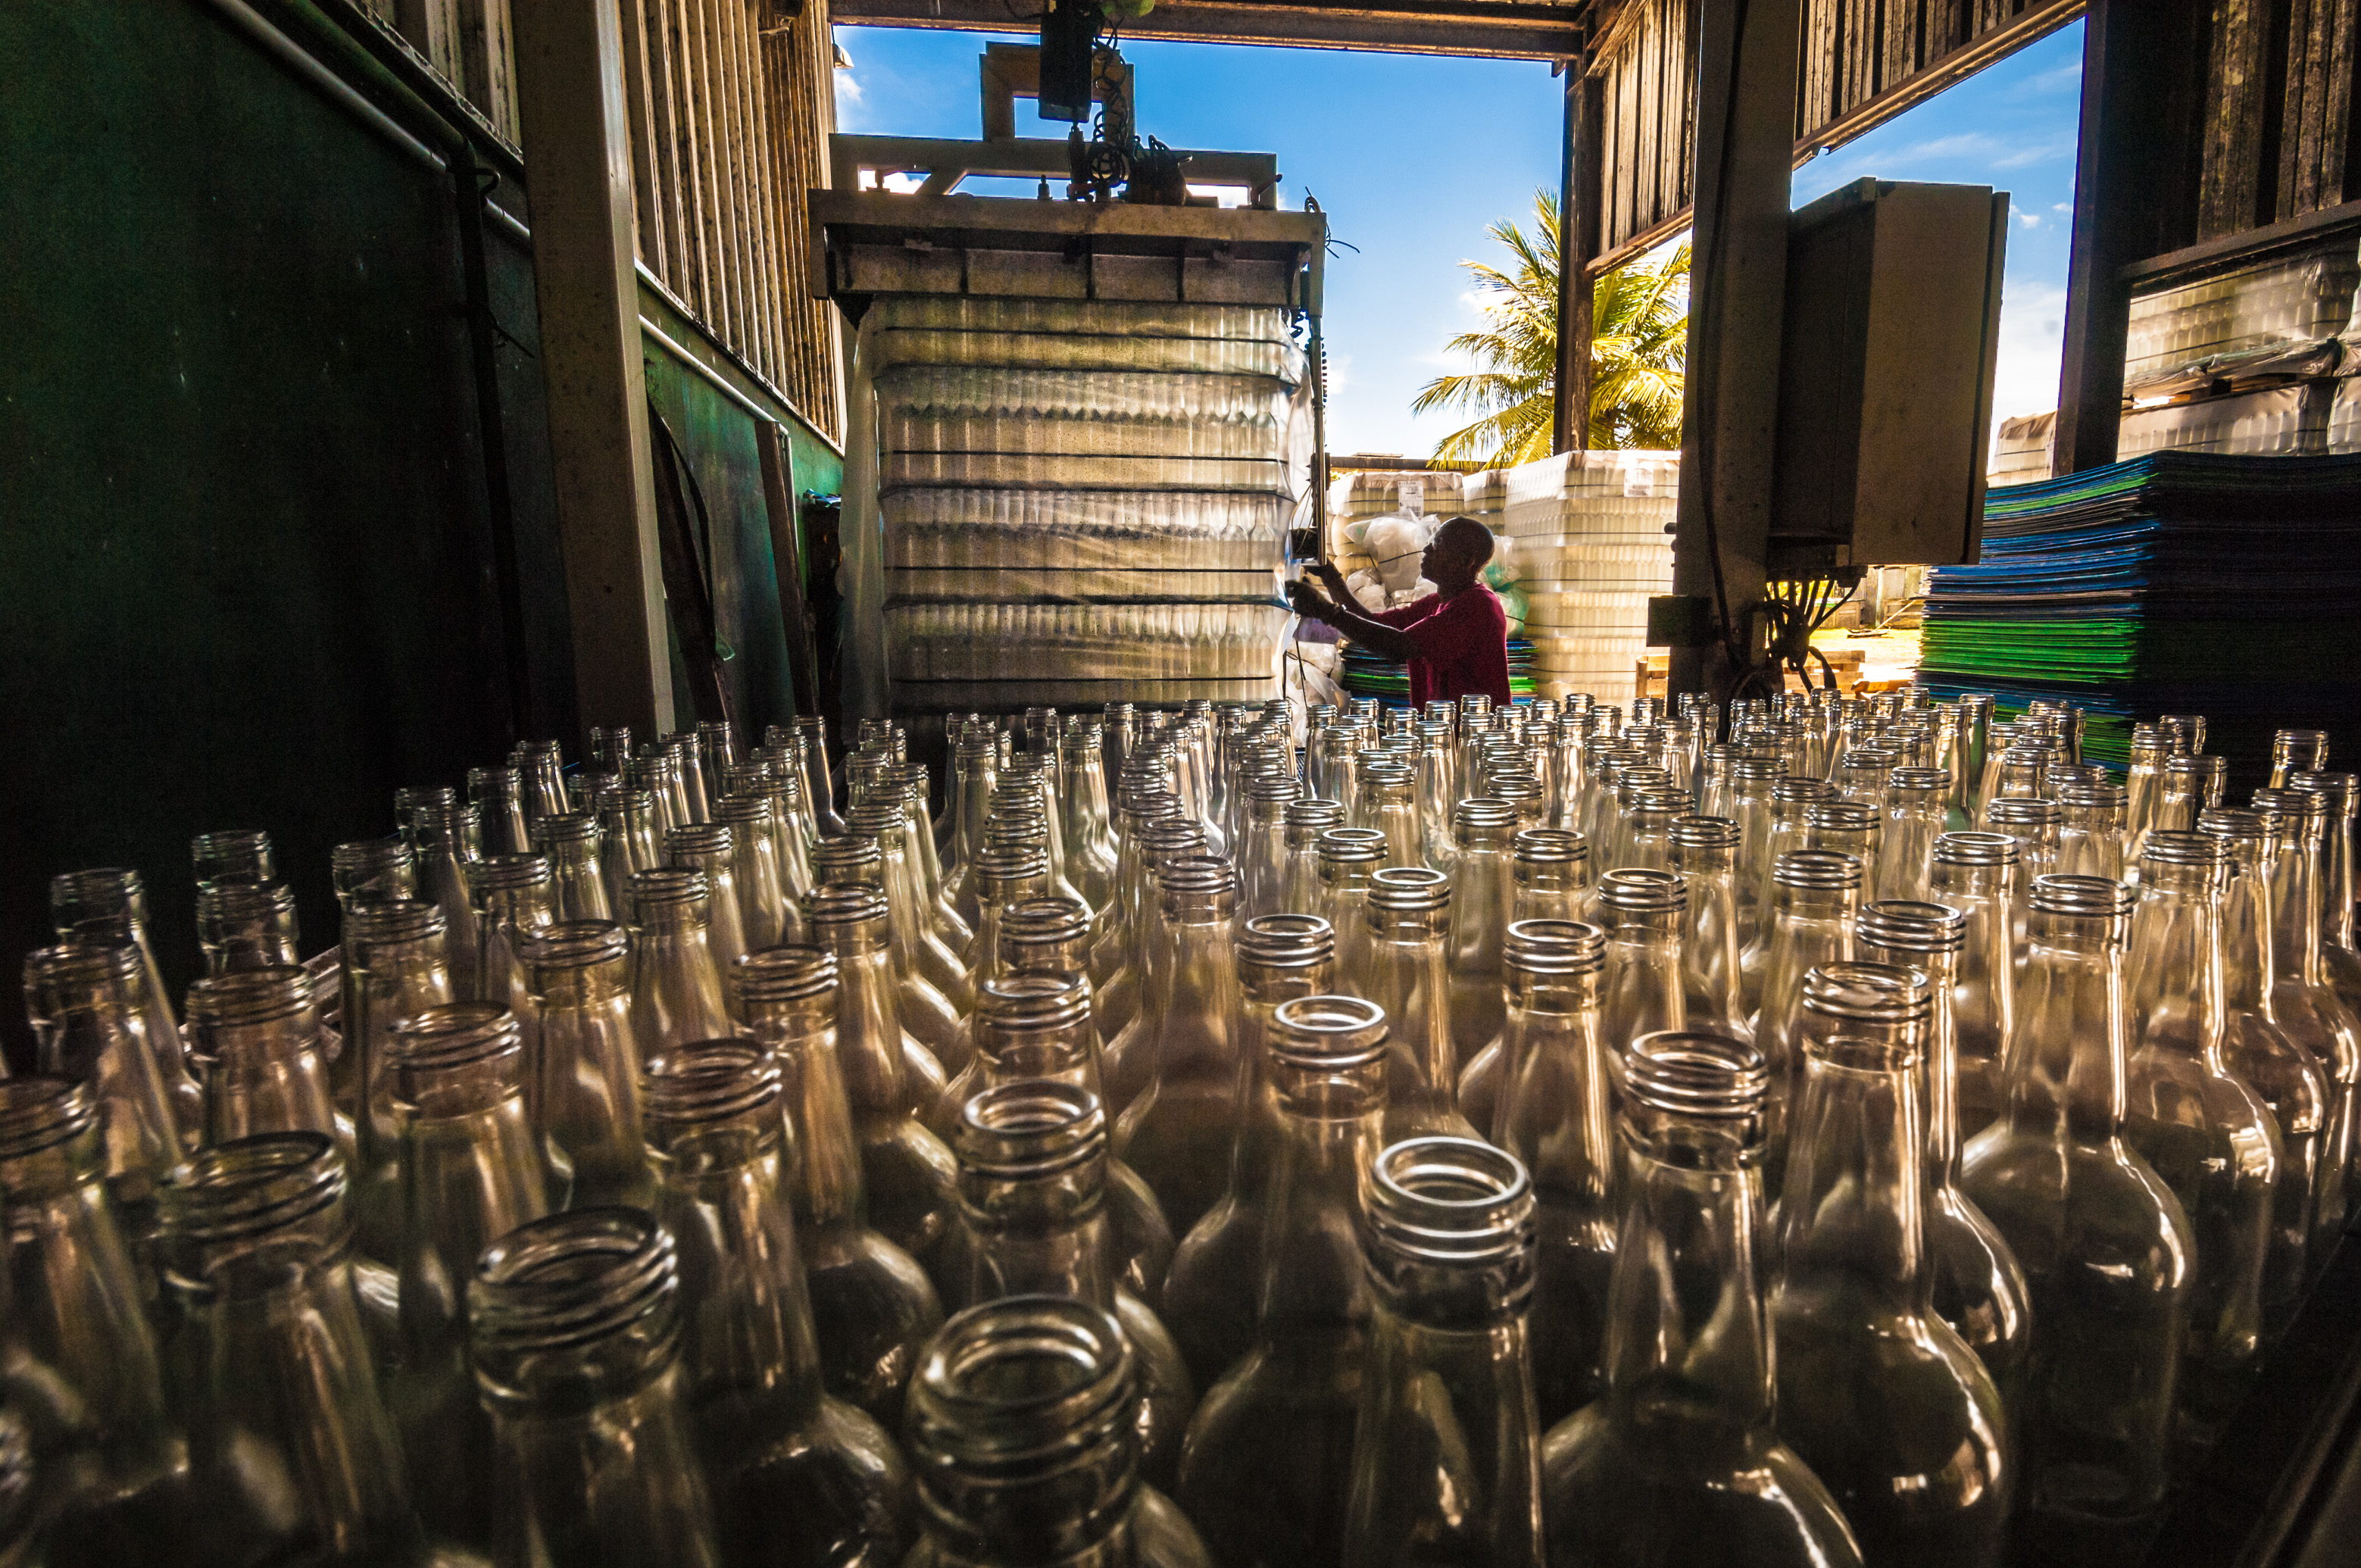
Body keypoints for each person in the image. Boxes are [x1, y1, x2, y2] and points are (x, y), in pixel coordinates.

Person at [1285, 514, 1512, 709]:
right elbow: (1371, 622)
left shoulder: (1477, 607)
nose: (1426, 549)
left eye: (1438, 544)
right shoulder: (1436, 603)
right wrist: (1330, 577)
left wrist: (1327, 612)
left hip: (1476, 737)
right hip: (1443, 731)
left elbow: (1398, 645)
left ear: (1464, 561)